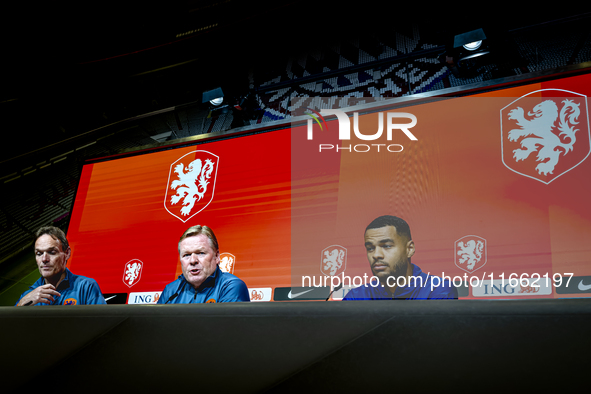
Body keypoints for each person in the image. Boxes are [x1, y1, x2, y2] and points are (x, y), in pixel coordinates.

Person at [343, 215, 457, 300]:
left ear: (409, 249)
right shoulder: (356, 296)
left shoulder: (436, 289)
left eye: (386, 246)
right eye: (370, 248)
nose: (376, 255)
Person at [158, 225, 250, 304]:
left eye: (200, 253)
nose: (193, 260)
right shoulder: (170, 291)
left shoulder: (231, 286)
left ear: (217, 256)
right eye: (186, 255)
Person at [16, 226, 106, 306]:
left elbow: (103, 323)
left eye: (51, 252)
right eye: (39, 253)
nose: (44, 259)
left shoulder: (86, 287)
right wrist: (20, 305)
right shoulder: (27, 297)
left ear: (67, 253)